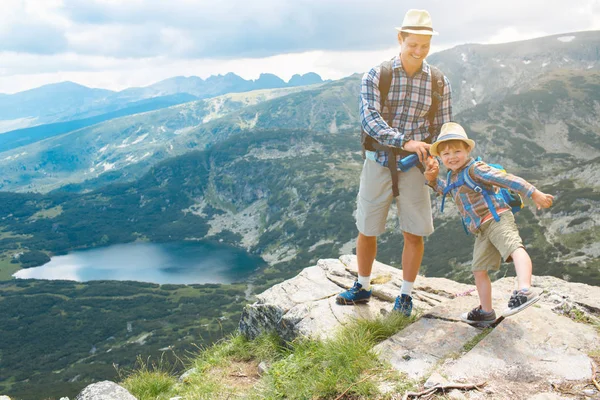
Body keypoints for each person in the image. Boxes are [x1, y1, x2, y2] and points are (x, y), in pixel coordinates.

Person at [335, 9, 452, 316]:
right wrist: (405, 140)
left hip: (415, 164)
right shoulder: (376, 75)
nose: (418, 51)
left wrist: (435, 157)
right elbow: (369, 120)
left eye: (424, 46)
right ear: (400, 38)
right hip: (379, 160)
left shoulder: (439, 82)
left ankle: (406, 295)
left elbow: (442, 127)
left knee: (414, 232)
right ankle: (362, 285)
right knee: (368, 228)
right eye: (413, 44)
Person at [424, 122, 554, 326]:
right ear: (440, 157)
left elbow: (507, 180)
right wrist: (432, 180)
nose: (452, 157)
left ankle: (525, 290)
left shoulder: (476, 169)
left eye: (457, 151)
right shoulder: (453, 175)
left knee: (514, 248)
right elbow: (447, 191)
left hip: (497, 218)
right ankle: (486, 312)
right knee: (478, 269)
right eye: (446, 153)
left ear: (467, 150)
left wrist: (533, 193)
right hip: (482, 229)